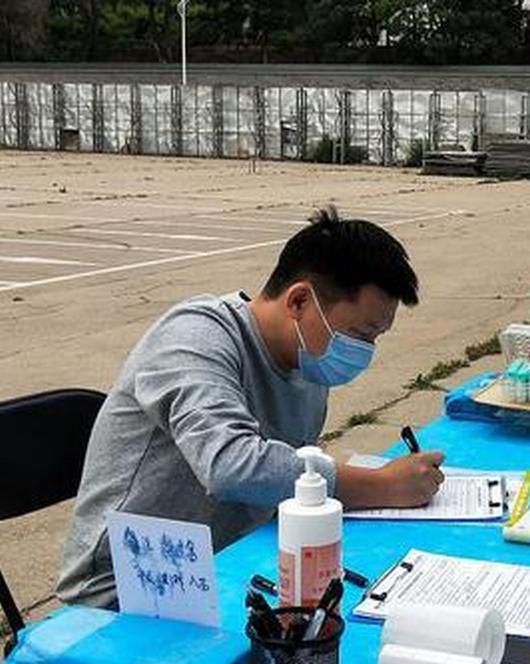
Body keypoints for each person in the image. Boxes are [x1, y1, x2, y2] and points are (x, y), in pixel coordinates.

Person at [57, 206, 445, 608]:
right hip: (131, 587)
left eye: (375, 338)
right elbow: (232, 466)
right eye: (359, 334)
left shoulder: (306, 364)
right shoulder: (195, 337)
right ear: (298, 300)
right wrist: (383, 485)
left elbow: (287, 476)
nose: (364, 352)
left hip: (236, 566)